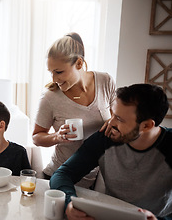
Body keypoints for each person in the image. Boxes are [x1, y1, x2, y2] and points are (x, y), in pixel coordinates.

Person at [50, 84, 172, 220]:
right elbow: (62, 174)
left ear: (146, 125)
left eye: (119, 119)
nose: (111, 122)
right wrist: (69, 202)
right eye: (112, 114)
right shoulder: (106, 137)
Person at [32, 32, 116, 187]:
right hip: (59, 177)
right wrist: (57, 137)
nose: (54, 79)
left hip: (96, 178)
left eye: (59, 72)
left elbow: (116, 120)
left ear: (78, 63)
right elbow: (36, 137)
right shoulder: (50, 97)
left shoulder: (106, 82)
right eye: (51, 72)